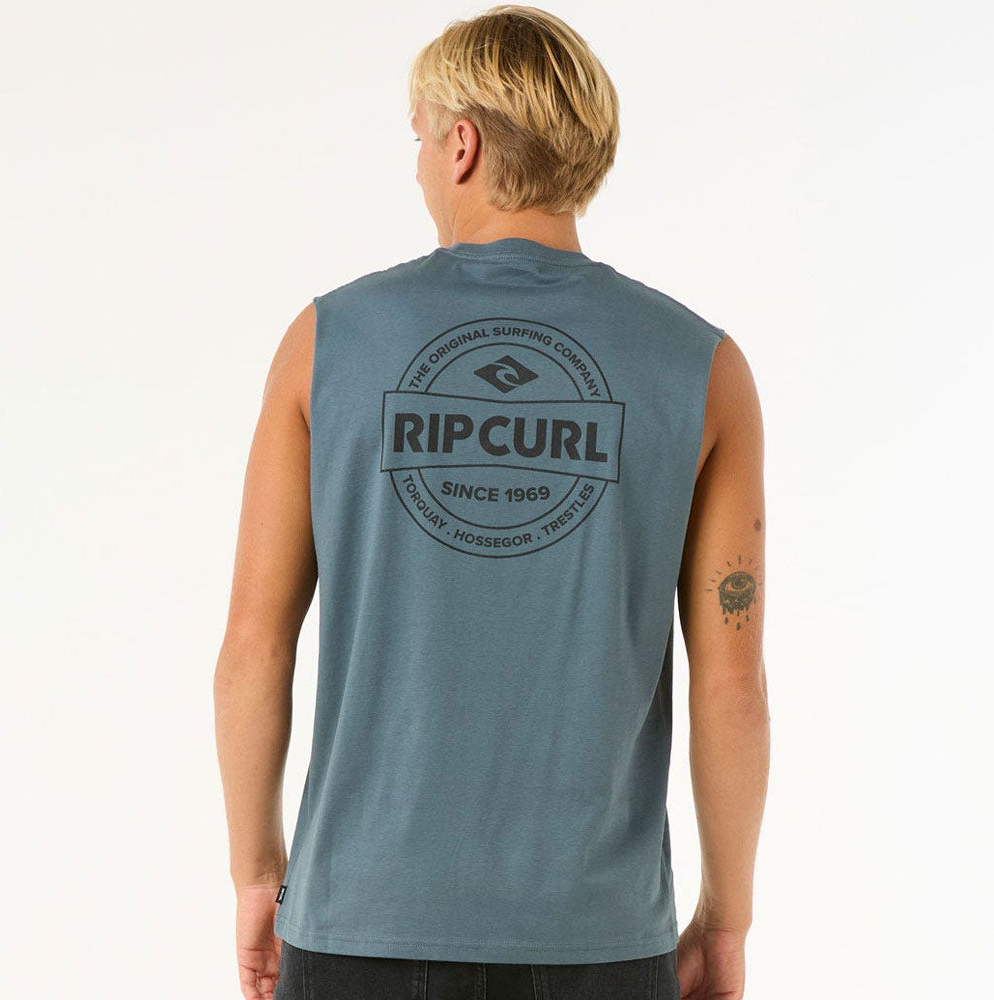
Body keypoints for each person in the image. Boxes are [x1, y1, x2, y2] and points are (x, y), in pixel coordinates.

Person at [213, 5, 769, 999]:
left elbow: (254, 647)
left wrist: (260, 872)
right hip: (598, 939)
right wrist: (724, 920)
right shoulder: (702, 367)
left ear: (461, 144)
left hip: (362, 920)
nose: (420, 165)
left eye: (419, 139)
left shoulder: (326, 344)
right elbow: (730, 687)